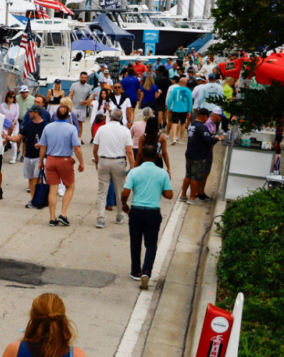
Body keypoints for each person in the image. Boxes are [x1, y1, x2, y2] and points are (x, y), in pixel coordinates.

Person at [122, 144, 174, 289]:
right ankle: (146, 271)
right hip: (153, 211)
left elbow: (125, 192)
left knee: (135, 241)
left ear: (142, 156)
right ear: (157, 156)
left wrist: (124, 205)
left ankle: (135, 271)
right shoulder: (162, 173)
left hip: (137, 210)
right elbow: (169, 195)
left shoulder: (133, 172)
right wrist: (160, 189)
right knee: (151, 244)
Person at [37, 105, 85, 227]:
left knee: (53, 189)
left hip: (51, 160)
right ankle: (63, 214)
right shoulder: (71, 128)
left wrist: (41, 161)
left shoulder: (48, 127)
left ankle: (52, 218)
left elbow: (43, 146)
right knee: (70, 186)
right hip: (65, 160)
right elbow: (77, 147)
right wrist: (81, 162)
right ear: (68, 116)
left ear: (56, 115)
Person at [93, 108, 135, 229]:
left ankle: (100, 218)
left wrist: (97, 160)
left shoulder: (102, 129)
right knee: (120, 189)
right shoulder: (125, 131)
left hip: (104, 160)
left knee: (102, 190)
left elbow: (95, 148)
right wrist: (132, 167)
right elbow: (129, 151)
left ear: (110, 117)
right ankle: (120, 215)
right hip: (119, 161)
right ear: (121, 119)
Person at [7, 104, 48, 206]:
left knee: (38, 179)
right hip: (28, 156)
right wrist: (7, 137)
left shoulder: (46, 126)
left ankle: (39, 200)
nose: (28, 113)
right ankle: (34, 200)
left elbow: (50, 141)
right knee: (30, 178)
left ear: (36, 113)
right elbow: (18, 138)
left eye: (31, 111)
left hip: (40, 157)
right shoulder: (28, 125)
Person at [180, 108, 223, 204]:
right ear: (204, 117)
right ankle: (192, 198)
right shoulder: (202, 127)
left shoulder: (192, 125)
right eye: (206, 117)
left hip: (190, 152)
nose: (206, 119)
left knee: (188, 175)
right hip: (198, 155)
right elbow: (208, 140)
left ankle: (183, 195)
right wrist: (218, 138)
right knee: (196, 176)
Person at [167, 76, 193, 145]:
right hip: (184, 109)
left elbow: (170, 99)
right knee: (183, 123)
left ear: (180, 82)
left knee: (174, 123)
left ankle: (174, 138)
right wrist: (189, 111)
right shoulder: (188, 90)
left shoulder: (175, 89)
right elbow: (190, 101)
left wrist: (168, 108)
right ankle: (181, 139)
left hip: (175, 109)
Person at [69, 72, 95, 138]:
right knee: (72, 123)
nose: (83, 79)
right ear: (80, 77)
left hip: (83, 108)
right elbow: (70, 95)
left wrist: (86, 102)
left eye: (85, 78)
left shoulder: (89, 87)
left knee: (80, 123)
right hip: (74, 107)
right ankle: (72, 137)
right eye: (82, 77)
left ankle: (79, 138)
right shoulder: (74, 85)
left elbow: (89, 98)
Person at [0, 91, 21, 164]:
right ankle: (0, 156)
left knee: (12, 142)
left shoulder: (16, 105)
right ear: (7, 97)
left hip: (14, 126)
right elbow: (0, 115)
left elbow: (17, 115)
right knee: (2, 140)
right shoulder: (2, 105)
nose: (12, 98)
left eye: (13, 97)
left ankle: (14, 158)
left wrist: (13, 123)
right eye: (10, 97)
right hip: (5, 125)